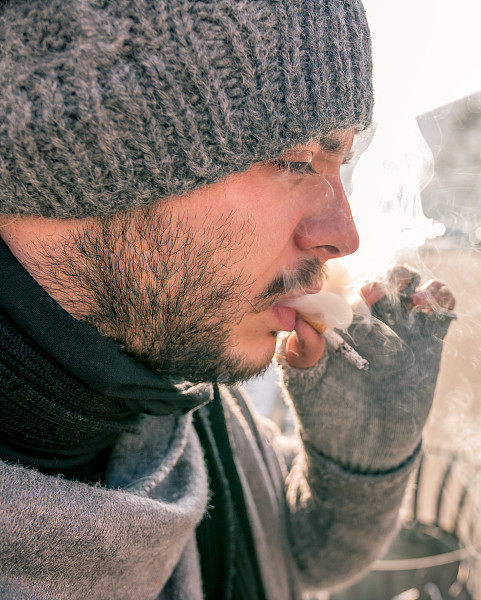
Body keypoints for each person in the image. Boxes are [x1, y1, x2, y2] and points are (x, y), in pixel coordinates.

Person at [0, 1, 456, 599]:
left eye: (341, 164)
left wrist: (356, 470)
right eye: (297, 158)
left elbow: (290, 553)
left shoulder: (184, 392)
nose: (344, 235)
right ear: (97, 148)